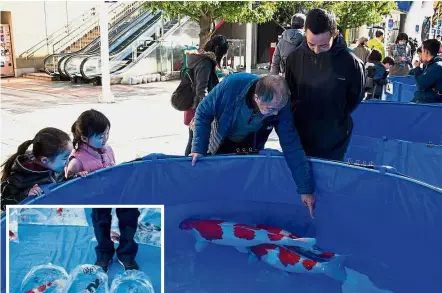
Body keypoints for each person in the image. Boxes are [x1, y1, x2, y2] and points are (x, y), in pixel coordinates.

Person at [189, 73, 316, 218]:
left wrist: (305, 188)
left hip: (247, 144)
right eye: (270, 109)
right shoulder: (233, 84)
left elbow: (291, 144)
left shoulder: (279, 104)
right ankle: (207, 214)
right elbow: (203, 112)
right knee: (209, 182)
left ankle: (232, 216)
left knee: (237, 186)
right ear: (257, 98)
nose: (276, 114)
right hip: (218, 137)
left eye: (278, 110)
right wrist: (198, 149)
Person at [285, 8, 365, 161]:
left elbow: (355, 99)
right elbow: (290, 94)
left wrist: (334, 116)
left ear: (334, 35)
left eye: (323, 46)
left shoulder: (351, 63)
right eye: (311, 44)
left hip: (334, 141)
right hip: (301, 138)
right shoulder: (293, 59)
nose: (316, 50)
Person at [66, 109, 140, 272]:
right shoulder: (77, 160)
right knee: (101, 223)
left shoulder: (108, 149)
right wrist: (77, 177)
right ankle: (104, 253)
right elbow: (67, 183)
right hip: (97, 197)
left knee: (130, 216)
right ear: (85, 138)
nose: (105, 138)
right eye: (100, 136)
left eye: (107, 133)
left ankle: (126, 254)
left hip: (117, 193)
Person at [1, 128, 73, 211]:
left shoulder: (55, 168)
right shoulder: (19, 178)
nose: (68, 160)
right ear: (44, 160)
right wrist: (26, 194)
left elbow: (61, 183)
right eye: (65, 158)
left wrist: (74, 178)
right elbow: (4, 203)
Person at [183, 35, 229, 156]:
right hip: (198, 107)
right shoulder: (205, 63)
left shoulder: (202, 59)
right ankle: (188, 168)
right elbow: (201, 90)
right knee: (194, 141)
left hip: (195, 105)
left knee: (194, 139)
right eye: (223, 54)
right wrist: (199, 114)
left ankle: (189, 167)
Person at [412, 39, 442, 103]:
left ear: (427, 52)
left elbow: (420, 85)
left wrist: (417, 68)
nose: (421, 54)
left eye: (422, 52)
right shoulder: (432, 64)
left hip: (436, 102)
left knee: (418, 95)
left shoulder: (436, 66)